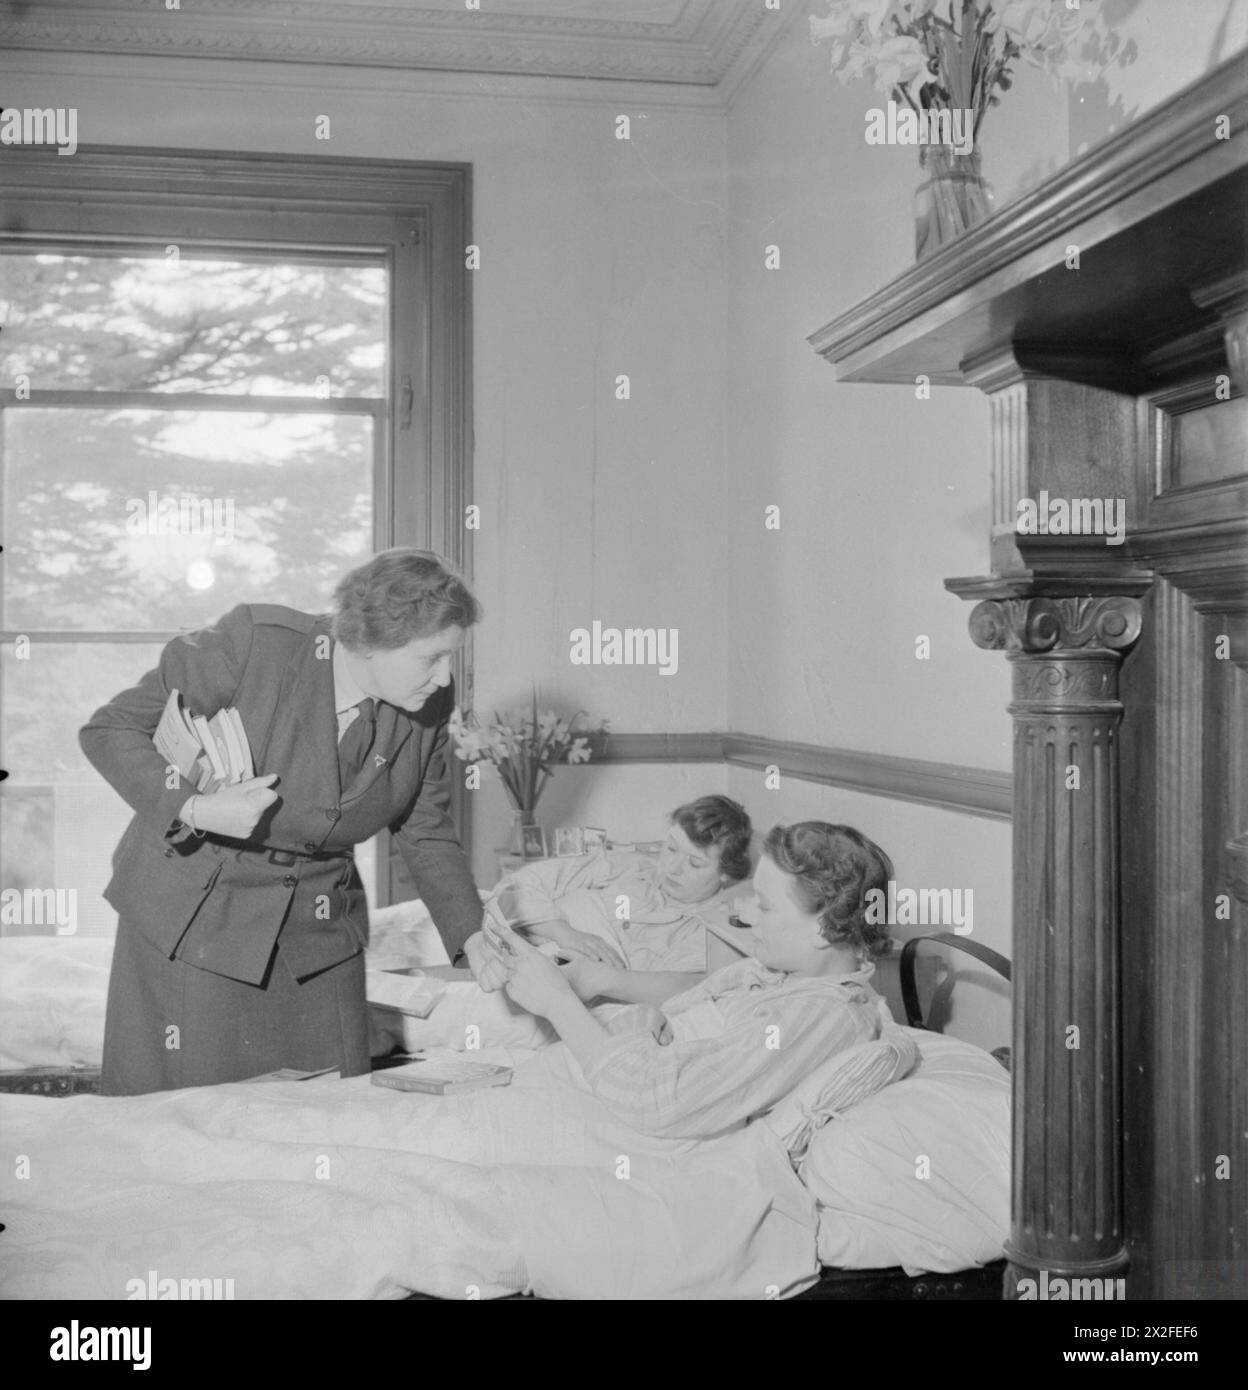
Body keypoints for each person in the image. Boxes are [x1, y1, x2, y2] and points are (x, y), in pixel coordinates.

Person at [81, 547, 485, 1095]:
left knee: (328, 1121)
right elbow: (109, 730)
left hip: (316, 931)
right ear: (368, 644)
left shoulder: (427, 704)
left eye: (450, 659)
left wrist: (474, 938)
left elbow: (425, 829)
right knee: (194, 1126)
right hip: (200, 915)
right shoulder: (254, 646)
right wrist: (195, 807)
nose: (444, 679)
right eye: (431, 658)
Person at [464, 820, 897, 1138]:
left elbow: (657, 1102)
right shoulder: (776, 974)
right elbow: (685, 1009)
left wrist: (559, 1003)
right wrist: (630, 1013)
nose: (745, 915)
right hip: (588, 1083)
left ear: (823, 929)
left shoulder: (816, 1015)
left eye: (763, 906)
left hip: (624, 1123)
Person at [498, 793, 753, 986]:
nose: (673, 868)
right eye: (671, 848)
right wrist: (563, 931)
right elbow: (516, 886)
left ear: (726, 874)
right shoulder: (632, 866)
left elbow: (679, 993)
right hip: (518, 954)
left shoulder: (708, 929)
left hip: (559, 988)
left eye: (695, 863)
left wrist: (602, 977)